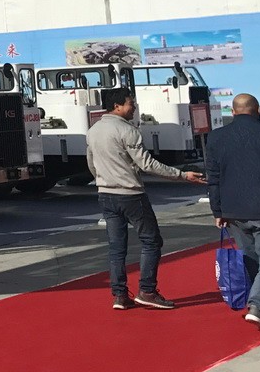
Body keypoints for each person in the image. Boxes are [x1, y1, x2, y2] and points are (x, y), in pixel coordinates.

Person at [87, 87, 206, 310]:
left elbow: (92, 164)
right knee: (151, 241)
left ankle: (120, 295)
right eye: (130, 103)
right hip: (131, 195)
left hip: (105, 194)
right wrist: (182, 175)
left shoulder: (93, 130)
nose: (134, 107)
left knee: (116, 247)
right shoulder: (128, 131)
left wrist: (103, 180)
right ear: (117, 106)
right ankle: (147, 290)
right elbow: (147, 164)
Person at [205, 93, 260, 330]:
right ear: (258, 111)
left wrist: (217, 210)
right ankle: (258, 306)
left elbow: (213, 178)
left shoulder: (216, 137)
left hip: (233, 211)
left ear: (233, 112)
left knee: (251, 257)